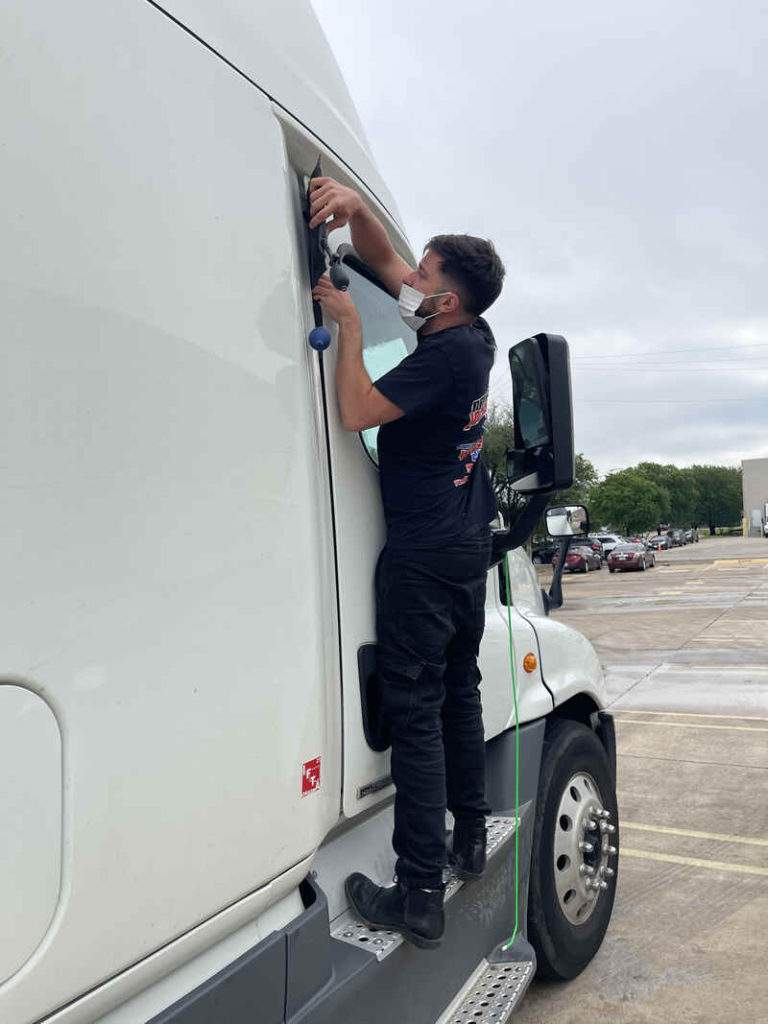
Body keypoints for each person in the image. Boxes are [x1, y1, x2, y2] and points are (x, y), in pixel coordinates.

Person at [309, 176, 505, 950]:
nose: (410, 283)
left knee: (417, 718)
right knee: (460, 694)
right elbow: (382, 258)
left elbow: (356, 411)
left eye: (423, 279)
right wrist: (355, 209)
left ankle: (419, 892)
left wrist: (350, 327)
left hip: (423, 563)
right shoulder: (474, 334)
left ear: (446, 302)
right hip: (463, 551)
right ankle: (469, 839)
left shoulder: (443, 357)